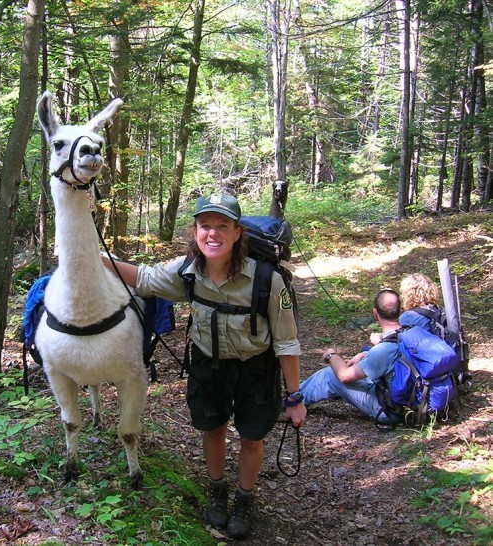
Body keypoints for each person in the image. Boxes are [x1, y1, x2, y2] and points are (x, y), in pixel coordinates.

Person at [103, 193, 305, 540]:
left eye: (222, 226)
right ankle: (217, 489)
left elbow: (287, 343)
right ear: (194, 231)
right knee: (212, 428)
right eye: (205, 226)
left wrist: (295, 396)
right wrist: (96, 258)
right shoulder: (187, 271)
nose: (213, 234)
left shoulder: (267, 281)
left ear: (237, 232)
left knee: (252, 438)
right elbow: (146, 279)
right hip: (207, 367)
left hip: (256, 370)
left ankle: (244, 498)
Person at [300, 289, 402, 424]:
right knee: (365, 351)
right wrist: (366, 354)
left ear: (375, 313)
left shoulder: (384, 350)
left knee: (331, 374)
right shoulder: (412, 332)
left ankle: (292, 400)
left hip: (392, 410)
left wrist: (331, 354)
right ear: (400, 311)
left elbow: (344, 375)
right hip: (415, 402)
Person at [368, 273, 440, 345]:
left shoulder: (409, 317)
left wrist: (379, 342)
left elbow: (397, 347)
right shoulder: (438, 309)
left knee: (365, 350)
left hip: (419, 354)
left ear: (407, 294)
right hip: (439, 350)